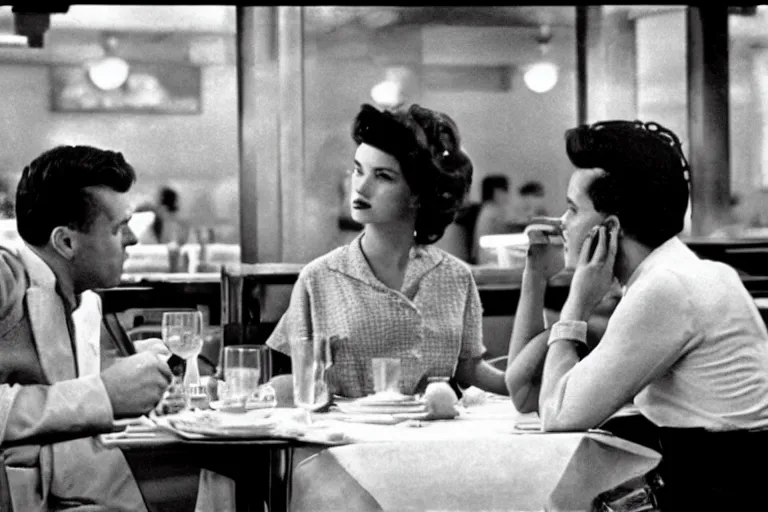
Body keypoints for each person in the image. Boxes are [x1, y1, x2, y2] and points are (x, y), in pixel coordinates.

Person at [532, 120, 768, 510]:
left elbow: (557, 415)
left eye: (573, 210)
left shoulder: (665, 288)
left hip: (721, 493)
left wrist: (576, 303)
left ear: (609, 228)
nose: (562, 224)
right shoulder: (691, 272)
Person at [266, 103, 508, 398]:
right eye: (358, 171)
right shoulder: (319, 278)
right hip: (347, 439)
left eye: (382, 176)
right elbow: (291, 382)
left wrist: (533, 382)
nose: (361, 187)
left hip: (431, 436)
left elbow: (469, 368)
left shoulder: (455, 276)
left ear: (418, 194)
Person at [0, 145, 174, 511]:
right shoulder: (4, 277)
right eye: (118, 228)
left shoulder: (84, 300)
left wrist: (119, 377)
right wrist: (103, 394)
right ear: (65, 242)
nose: (133, 240)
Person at [472, 174, 510, 263]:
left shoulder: (486, 209)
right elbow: (504, 233)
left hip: (484, 255)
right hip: (490, 258)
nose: (507, 196)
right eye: (505, 191)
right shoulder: (493, 211)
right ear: (496, 192)